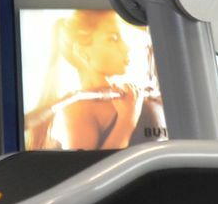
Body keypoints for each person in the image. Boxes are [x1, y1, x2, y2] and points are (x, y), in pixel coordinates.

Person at [24, 10, 156, 150]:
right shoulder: (79, 109)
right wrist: (127, 119)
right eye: (113, 38)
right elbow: (93, 164)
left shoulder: (133, 95)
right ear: (83, 52)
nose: (126, 47)